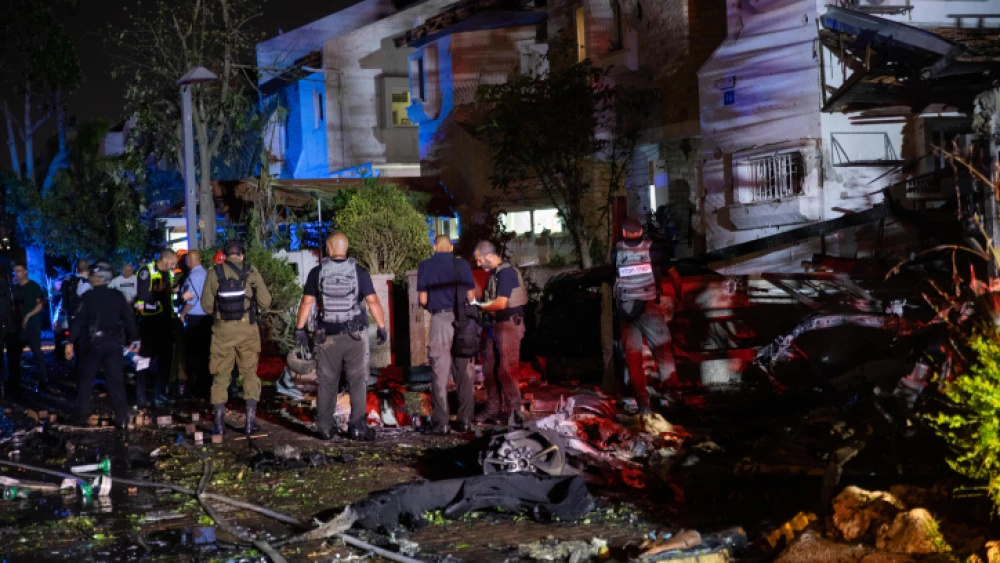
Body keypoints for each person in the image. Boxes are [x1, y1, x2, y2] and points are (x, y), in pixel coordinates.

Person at [295, 233, 387, 441]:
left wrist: (299, 329)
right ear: (346, 248)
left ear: (329, 248)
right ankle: (357, 427)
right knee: (357, 381)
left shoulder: (317, 272)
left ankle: (325, 428)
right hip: (354, 336)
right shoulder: (358, 271)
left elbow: (307, 303)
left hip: (327, 338)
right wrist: (382, 327)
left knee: (327, 382)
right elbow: (373, 301)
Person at [200, 240, 272, 438]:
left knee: (221, 376)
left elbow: (206, 306)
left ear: (225, 255)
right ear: (242, 255)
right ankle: (249, 424)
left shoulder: (214, 273)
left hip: (222, 332)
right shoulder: (251, 272)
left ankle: (219, 426)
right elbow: (266, 302)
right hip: (247, 330)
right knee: (249, 374)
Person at [65, 260, 140, 440]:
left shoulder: (87, 297)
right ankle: (122, 418)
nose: (90, 277)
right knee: (116, 382)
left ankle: (83, 415)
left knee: (85, 380)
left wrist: (69, 342)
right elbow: (129, 319)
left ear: (99, 277)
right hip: (113, 345)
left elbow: (78, 322)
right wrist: (135, 339)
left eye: (93, 274)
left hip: (92, 345)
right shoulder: (118, 296)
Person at [613, 216, 675, 413]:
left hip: (626, 312)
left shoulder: (616, 252)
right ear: (640, 232)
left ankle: (642, 403)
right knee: (663, 352)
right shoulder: (653, 250)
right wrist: (678, 297)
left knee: (634, 358)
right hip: (648, 308)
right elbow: (674, 274)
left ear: (624, 233)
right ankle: (672, 397)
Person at [417, 235, 476, 434]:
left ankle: (441, 422)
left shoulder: (425, 265)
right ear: (451, 247)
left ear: (434, 246)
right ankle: (465, 420)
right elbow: (470, 296)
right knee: (464, 373)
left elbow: (423, 299)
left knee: (439, 373)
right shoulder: (462, 265)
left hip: (439, 320)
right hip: (462, 322)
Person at [473, 241, 527, 423]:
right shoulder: (494, 275)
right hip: (495, 325)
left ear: (488, 256)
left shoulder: (506, 273)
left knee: (506, 369)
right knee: (488, 369)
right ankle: (493, 408)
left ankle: (513, 411)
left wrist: (478, 306)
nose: (479, 264)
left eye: (480, 260)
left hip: (508, 324)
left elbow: (501, 303)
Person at [135, 249, 189, 407]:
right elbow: (143, 298)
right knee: (144, 360)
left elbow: (166, 295)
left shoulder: (167, 274)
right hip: (149, 322)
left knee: (166, 359)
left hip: (165, 321)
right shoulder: (146, 272)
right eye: (172, 263)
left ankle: (159, 394)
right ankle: (141, 396)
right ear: (165, 259)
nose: (173, 267)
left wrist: (176, 294)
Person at [10, 264, 48, 388]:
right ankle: (15, 379)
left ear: (25, 272)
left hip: (32, 325)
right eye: (15, 271)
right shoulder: (14, 289)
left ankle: (44, 378)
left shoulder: (33, 286)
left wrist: (28, 315)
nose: (17, 273)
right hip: (18, 327)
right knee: (15, 353)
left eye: (19, 271)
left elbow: (41, 304)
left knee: (37, 351)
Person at [180, 251, 211, 397]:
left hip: (195, 319)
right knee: (205, 354)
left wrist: (183, 313)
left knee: (193, 355)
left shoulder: (193, 276)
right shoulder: (207, 274)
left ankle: (196, 389)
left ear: (190, 261)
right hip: (207, 319)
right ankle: (205, 386)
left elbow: (191, 299)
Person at [62, 259, 91, 323]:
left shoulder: (70, 281)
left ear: (76, 270)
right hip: (84, 319)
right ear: (89, 270)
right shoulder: (87, 284)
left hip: (71, 316)